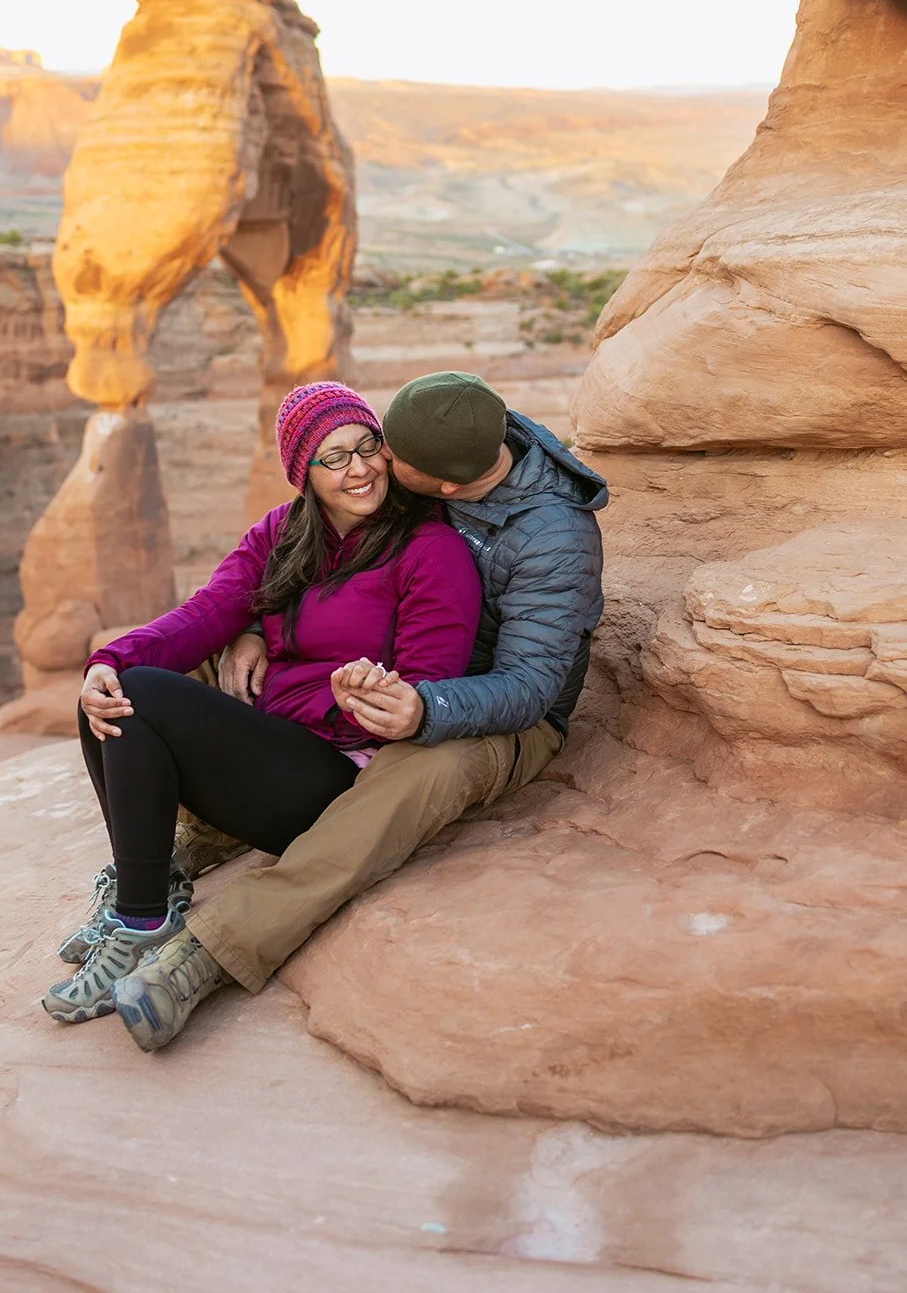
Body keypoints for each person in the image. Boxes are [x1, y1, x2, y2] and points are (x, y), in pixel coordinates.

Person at [79, 369, 608, 1054]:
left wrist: (424, 708)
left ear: (442, 488)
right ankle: (168, 858)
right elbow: (238, 593)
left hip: (501, 705)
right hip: (383, 678)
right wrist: (251, 626)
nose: (371, 467)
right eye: (361, 449)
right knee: (144, 679)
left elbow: (529, 684)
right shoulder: (447, 439)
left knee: (417, 771)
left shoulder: (549, 536)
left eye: (379, 452)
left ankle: (214, 948)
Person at [43, 380, 481, 1030]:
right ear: (303, 471)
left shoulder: (428, 548)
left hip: (341, 775)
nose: (359, 469)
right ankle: (149, 887)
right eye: (334, 457)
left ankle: (140, 925)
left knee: (143, 694)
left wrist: (362, 698)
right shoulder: (283, 532)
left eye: (367, 447)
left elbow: (429, 680)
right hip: (275, 746)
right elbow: (209, 611)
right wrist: (108, 658)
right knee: (109, 690)